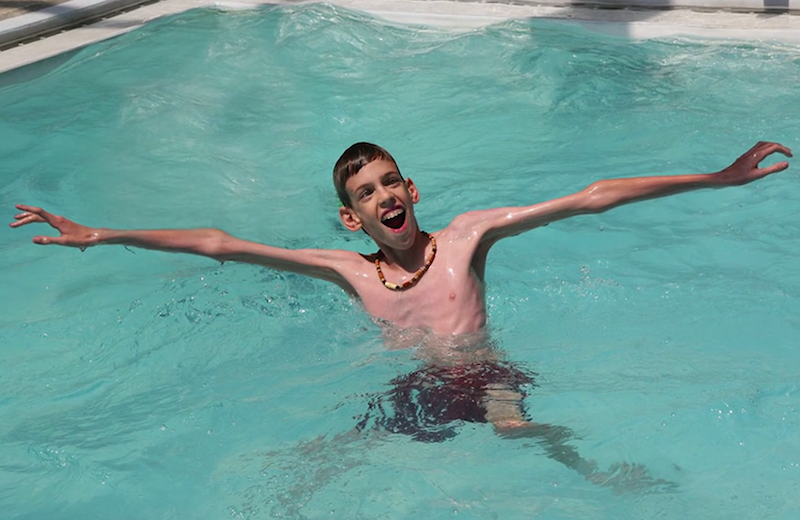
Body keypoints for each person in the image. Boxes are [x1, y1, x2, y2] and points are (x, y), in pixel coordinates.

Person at [10, 140, 792, 490]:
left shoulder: (467, 238)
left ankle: (598, 478)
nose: (383, 197)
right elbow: (221, 242)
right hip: (414, 388)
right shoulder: (349, 271)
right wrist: (102, 234)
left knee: (523, 435)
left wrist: (716, 179)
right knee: (325, 460)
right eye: (365, 194)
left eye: (391, 183)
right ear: (351, 218)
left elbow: (589, 198)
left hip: (486, 377)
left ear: (411, 190)